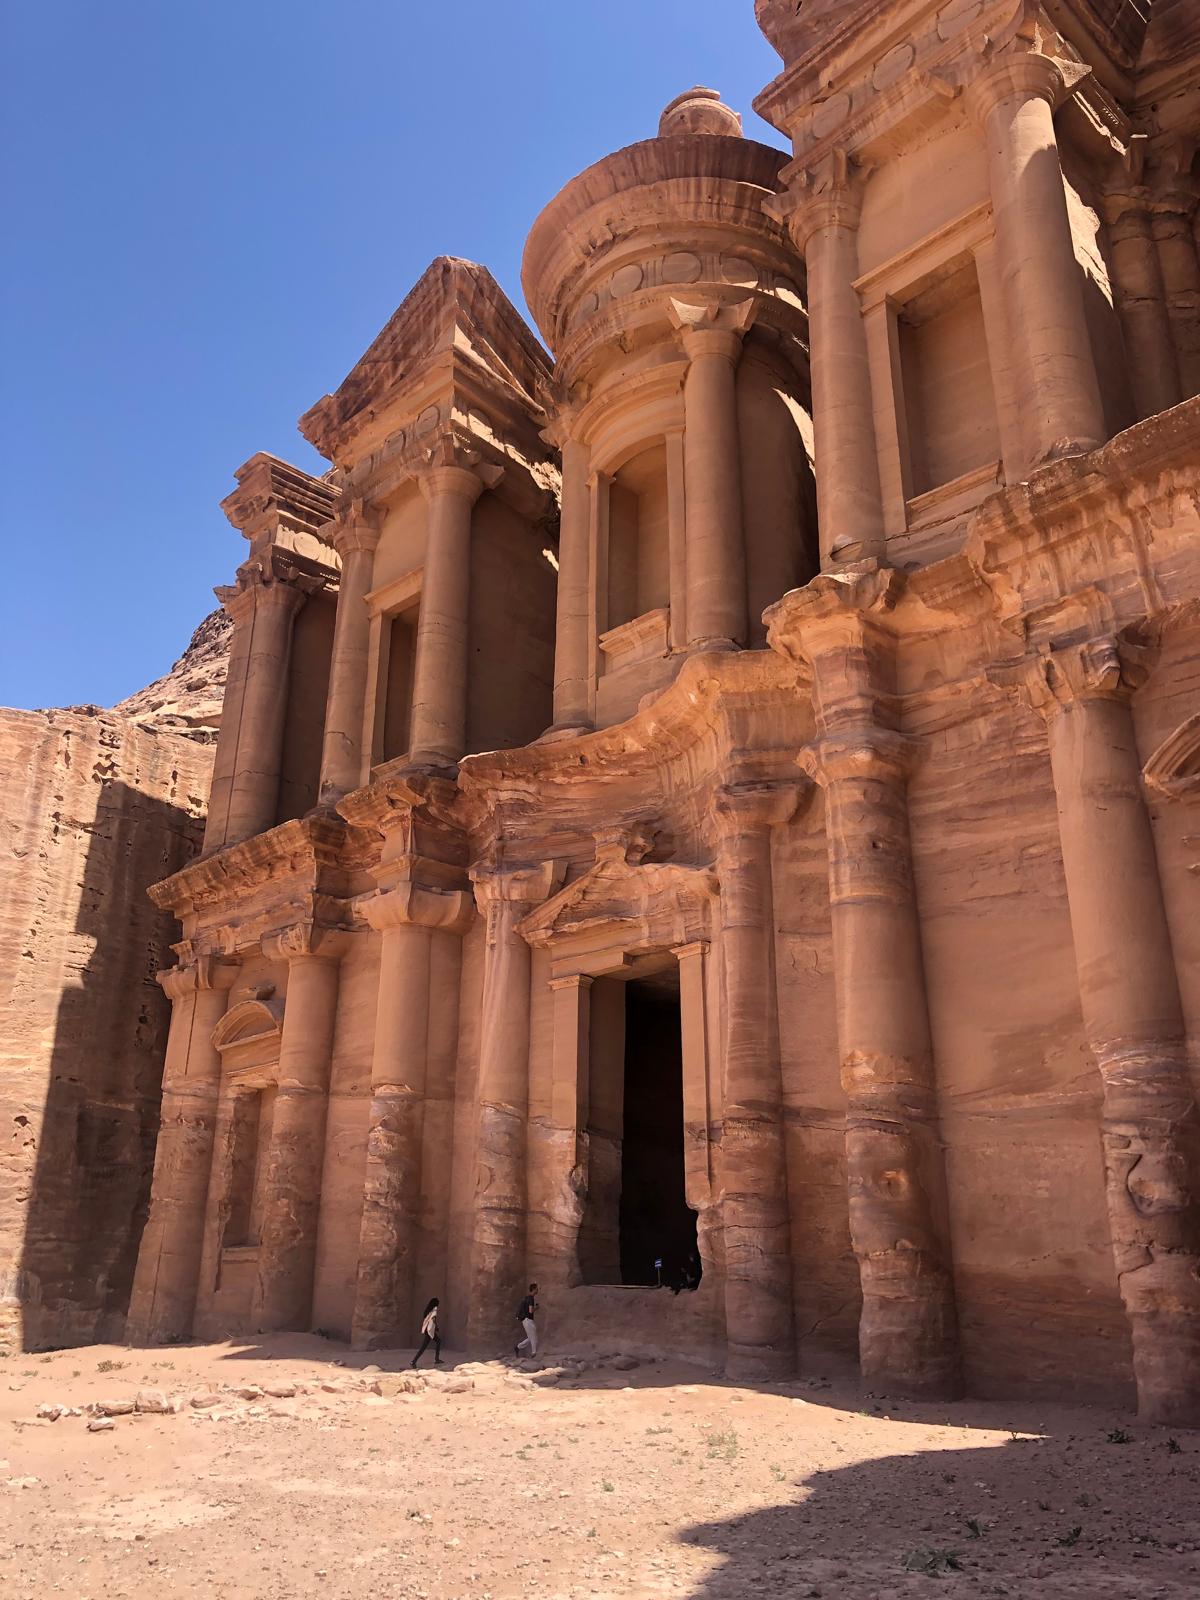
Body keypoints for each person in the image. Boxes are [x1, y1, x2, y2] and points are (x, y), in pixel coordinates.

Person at [412, 1297, 442, 1367]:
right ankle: (414, 1361)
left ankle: (436, 1359)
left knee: (438, 1341)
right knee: (424, 1347)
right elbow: (433, 1319)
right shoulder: (434, 1310)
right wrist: (436, 1327)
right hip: (430, 1330)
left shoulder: (427, 1310)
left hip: (427, 1329)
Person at [514, 1282, 539, 1358]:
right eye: (537, 1289)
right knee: (534, 1338)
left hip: (525, 1321)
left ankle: (518, 1347)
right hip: (528, 1320)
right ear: (534, 1289)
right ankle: (534, 1353)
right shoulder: (531, 1298)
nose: (538, 1290)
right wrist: (537, 1308)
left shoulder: (526, 1298)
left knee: (530, 1338)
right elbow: (530, 1311)